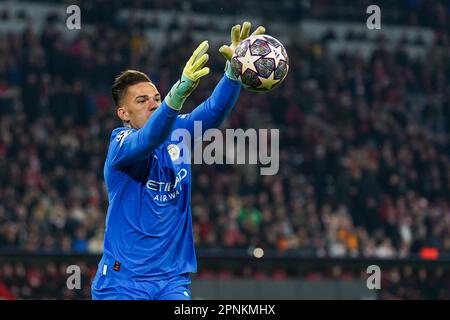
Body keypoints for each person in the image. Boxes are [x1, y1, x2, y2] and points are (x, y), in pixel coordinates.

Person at [91, 22, 265, 300]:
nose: (154, 104)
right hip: (121, 283)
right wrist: (178, 94)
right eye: (142, 100)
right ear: (123, 113)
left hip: (172, 281)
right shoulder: (120, 146)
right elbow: (148, 139)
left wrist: (233, 72)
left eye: (158, 98)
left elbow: (212, 112)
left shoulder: (178, 133)